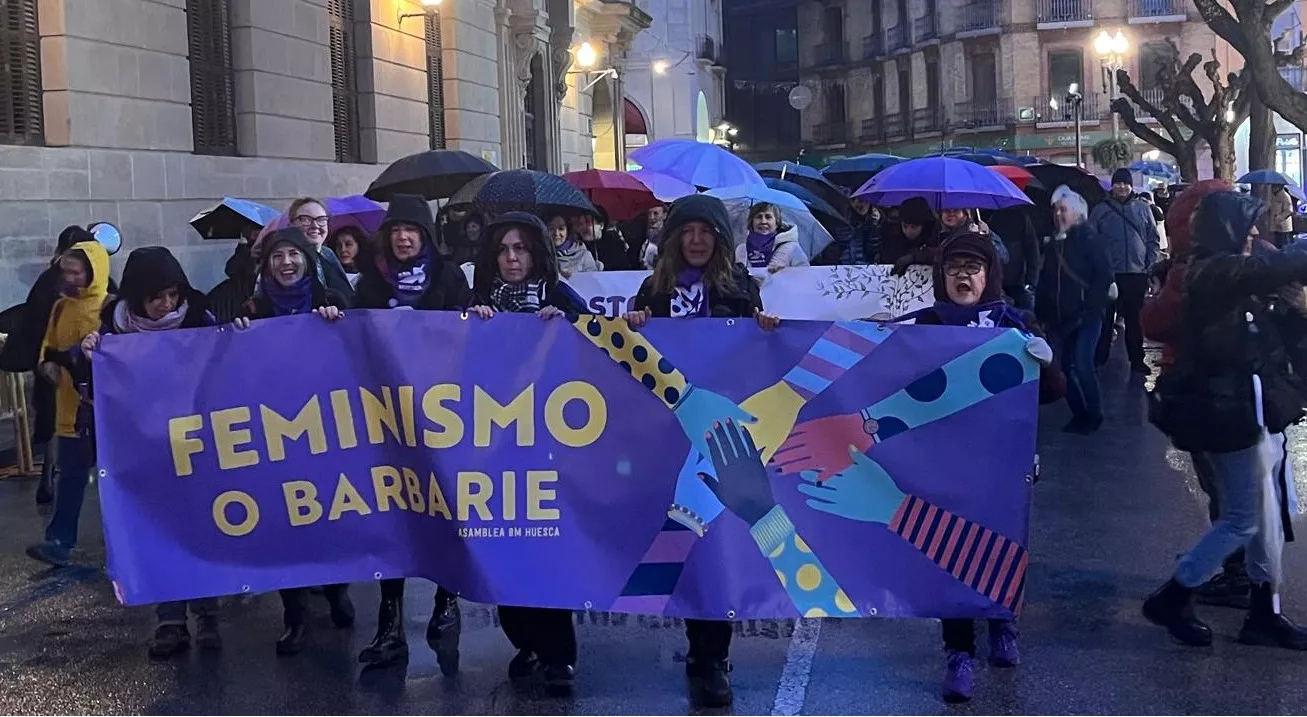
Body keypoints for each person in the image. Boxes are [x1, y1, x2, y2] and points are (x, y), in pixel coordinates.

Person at [623, 194, 781, 708]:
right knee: (685, 540)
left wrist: (764, 330)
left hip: (720, 439)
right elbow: (630, 353)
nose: (695, 241)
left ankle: (713, 656)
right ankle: (699, 648)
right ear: (672, 239)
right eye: (686, 232)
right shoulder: (655, 289)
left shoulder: (739, 289)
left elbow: (759, 361)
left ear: (719, 239)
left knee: (717, 543)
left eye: (705, 232)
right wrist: (636, 324)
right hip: (667, 435)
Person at [893, 231, 1056, 703]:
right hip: (944, 462)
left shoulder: (1015, 322)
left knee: (1004, 542)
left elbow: (1051, 394)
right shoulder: (924, 324)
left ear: (990, 275)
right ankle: (958, 652)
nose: (963, 276)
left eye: (973, 267)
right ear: (942, 277)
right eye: (954, 268)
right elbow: (878, 367)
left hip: (1004, 460)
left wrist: (1046, 364)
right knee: (951, 551)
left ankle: (1003, 622)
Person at [1143, 191, 1307, 651]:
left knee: (1261, 517)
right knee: (1243, 519)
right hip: (1228, 414)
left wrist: (1296, 310)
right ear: (1227, 232)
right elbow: (1276, 267)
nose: (1256, 239)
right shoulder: (1213, 272)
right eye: (1249, 231)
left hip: (1251, 411)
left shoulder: (1226, 276)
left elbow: (1270, 339)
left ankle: (1263, 612)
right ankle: (1174, 595)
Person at [467, 212, 588, 694]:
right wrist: (468, 328)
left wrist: (570, 325)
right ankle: (526, 640)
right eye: (503, 250)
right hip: (493, 452)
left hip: (548, 451)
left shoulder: (558, 298)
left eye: (520, 249)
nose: (512, 258)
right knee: (503, 550)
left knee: (544, 549)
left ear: (536, 254)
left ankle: (559, 653)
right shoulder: (477, 303)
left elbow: (600, 341)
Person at [351, 194, 472, 674]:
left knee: (444, 503)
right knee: (394, 510)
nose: (404, 237)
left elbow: (467, 336)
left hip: (444, 413)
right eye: (397, 229)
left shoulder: (449, 279)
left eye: (413, 230)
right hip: (389, 415)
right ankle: (391, 622)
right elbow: (352, 337)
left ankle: (447, 599)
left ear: (425, 236)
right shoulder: (371, 282)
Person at [78, 247, 219, 658]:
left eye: (173, 294)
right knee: (162, 531)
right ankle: (170, 620)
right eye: (158, 296)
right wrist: (86, 355)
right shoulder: (113, 331)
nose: (167, 304)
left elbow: (229, 362)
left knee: (202, 527)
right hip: (145, 449)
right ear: (137, 295)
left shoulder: (198, 319)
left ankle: (208, 614)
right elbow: (89, 380)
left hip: (198, 444)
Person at [236, 227, 356, 655]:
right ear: (266, 264)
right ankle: (295, 614)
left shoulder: (332, 301)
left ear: (307, 259)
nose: (286, 263)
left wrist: (336, 325)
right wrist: (239, 332)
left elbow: (360, 350)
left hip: (328, 430)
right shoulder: (253, 308)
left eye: (294, 254)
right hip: (276, 432)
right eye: (277, 256)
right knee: (285, 520)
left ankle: (338, 589)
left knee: (331, 516)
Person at [24, 237, 111, 567]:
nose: (69, 279)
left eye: (76, 272)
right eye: (66, 272)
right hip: (68, 410)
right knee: (70, 476)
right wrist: (47, 365)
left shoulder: (110, 307)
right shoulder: (60, 306)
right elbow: (48, 346)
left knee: (115, 479)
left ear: (94, 272)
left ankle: (126, 540)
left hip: (104, 411)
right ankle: (59, 540)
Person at [0, 226, 96, 505]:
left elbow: (32, 322)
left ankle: (51, 478)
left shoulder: (51, 280)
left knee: (58, 427)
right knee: (63, 428)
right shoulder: (87, 285)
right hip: (65, 371)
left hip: (65, 371)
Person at [1035, 186, 1112, 434]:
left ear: (1077, 213)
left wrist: (1089, 309)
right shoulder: (1053, 243)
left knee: (1082, 365)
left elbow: (1103, 277)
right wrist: (1041, 313)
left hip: (1085, 317)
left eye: (1063, 210)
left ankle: (1094, 414)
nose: (1058, 215)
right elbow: (1045, 281)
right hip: (1058, 319)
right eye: (1056, 210)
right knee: (1061, 368)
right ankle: (1080, 413)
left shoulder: (1091, 240)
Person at [1088, 168, 1160, 373]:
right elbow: (1091, 240)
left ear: (1131, 185)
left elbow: (1152, 239)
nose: (1122, 187)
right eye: (1118, 183)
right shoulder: (1101, 210)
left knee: (1134, 320)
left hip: (1136, 273)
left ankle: (1137, 360)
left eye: (1125, 183)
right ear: (1112, 185)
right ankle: (1099, 358)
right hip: (1109, 274)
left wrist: (1149, 265)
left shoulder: (1142, 208)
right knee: (1105, 318)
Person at [285, 197, 355, 300]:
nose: (315, 225)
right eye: (305, 219)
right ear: (291, 224)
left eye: (321, 219)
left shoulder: (328, 253)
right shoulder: (286, 261)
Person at [986, 206, 1041, 309]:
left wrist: (1031, 281)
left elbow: (1032, 249)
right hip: (992, 282)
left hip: (1016, 283)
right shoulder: (983, 215)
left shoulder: (1019, 217)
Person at [735, 201, 809, 272]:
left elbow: (806, 275)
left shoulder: (792, 248)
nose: (763, 221)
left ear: (777, 222)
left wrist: (787, 272)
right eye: (758, 217)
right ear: (751, 222)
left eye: (768, 217)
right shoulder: (741, 249)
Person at [879, 197, 936, 267]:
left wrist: (914, 256)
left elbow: (940, 254)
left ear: (924, 226)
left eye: (914, 227)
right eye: (905, 226)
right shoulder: (892, 238)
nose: (909, 231)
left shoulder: (935, 239)